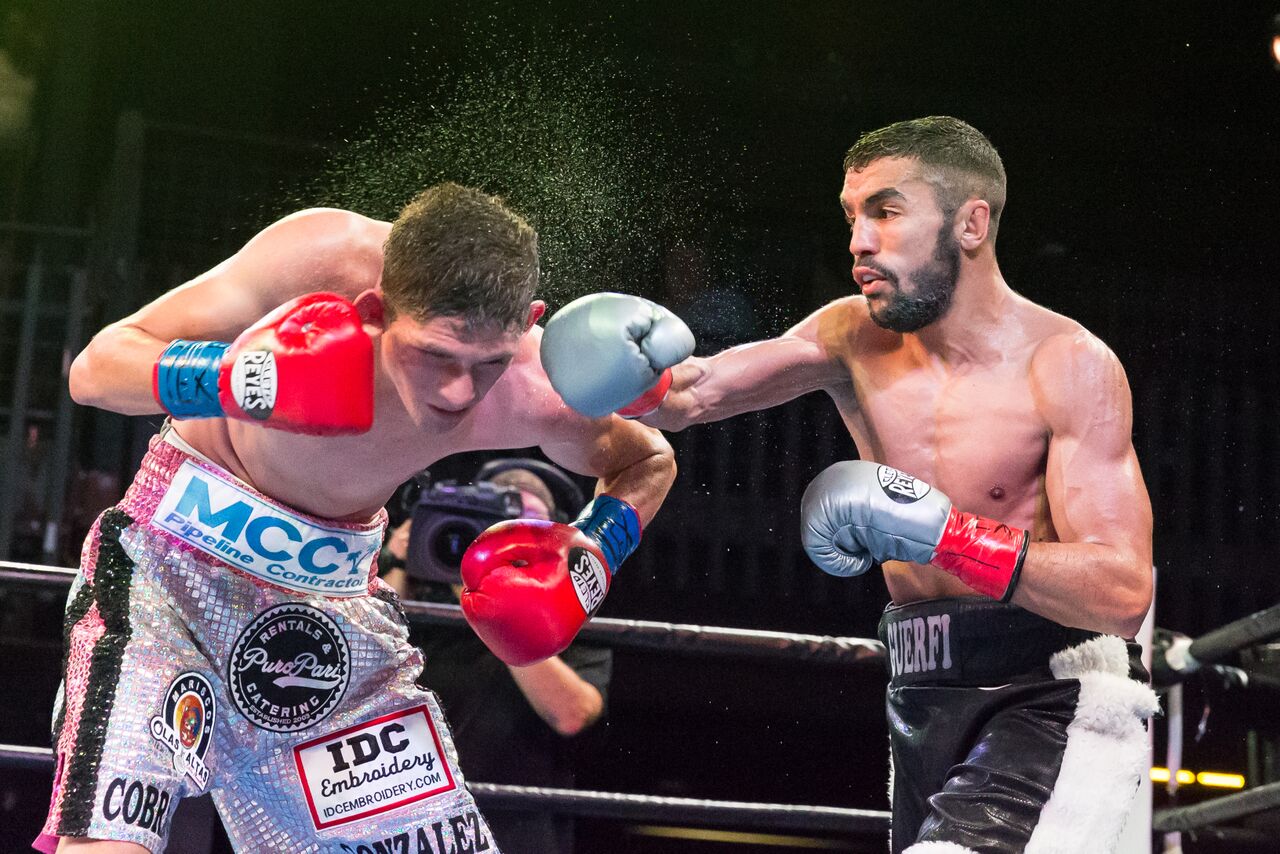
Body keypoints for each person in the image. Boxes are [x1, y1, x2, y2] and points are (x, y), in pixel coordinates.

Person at [540, 117, 1160, 853]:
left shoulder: (1066, 363)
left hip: (1054, 690)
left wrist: (949, 537)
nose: (859, 241)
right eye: (852, 217)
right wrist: (619, 368)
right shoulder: (853, 334)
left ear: (971, 224)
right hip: (922, 690)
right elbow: (692, 394)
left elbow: (1123, 592)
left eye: (886, 212)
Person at [40, 182, 677, 853]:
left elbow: (649, 459)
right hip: (168, 575)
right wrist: (242, 378)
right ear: (376, 311)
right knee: (109, 841)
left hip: (334, 624)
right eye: (435, 354)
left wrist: (591, 557)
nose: (459, 390)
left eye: (487, 363)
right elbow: (97, 370)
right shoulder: (320, 258)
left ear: (529, 322)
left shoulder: (532, 387)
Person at [381, 461, 611, 854]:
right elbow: (362, 665)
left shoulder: (570, 614)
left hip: (515, 829)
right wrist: (403, 559)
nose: (511, 541)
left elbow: (573, 713)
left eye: (528, 525)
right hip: (411, 825)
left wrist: (501, 613)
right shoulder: (421, 601)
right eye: (497, 526)